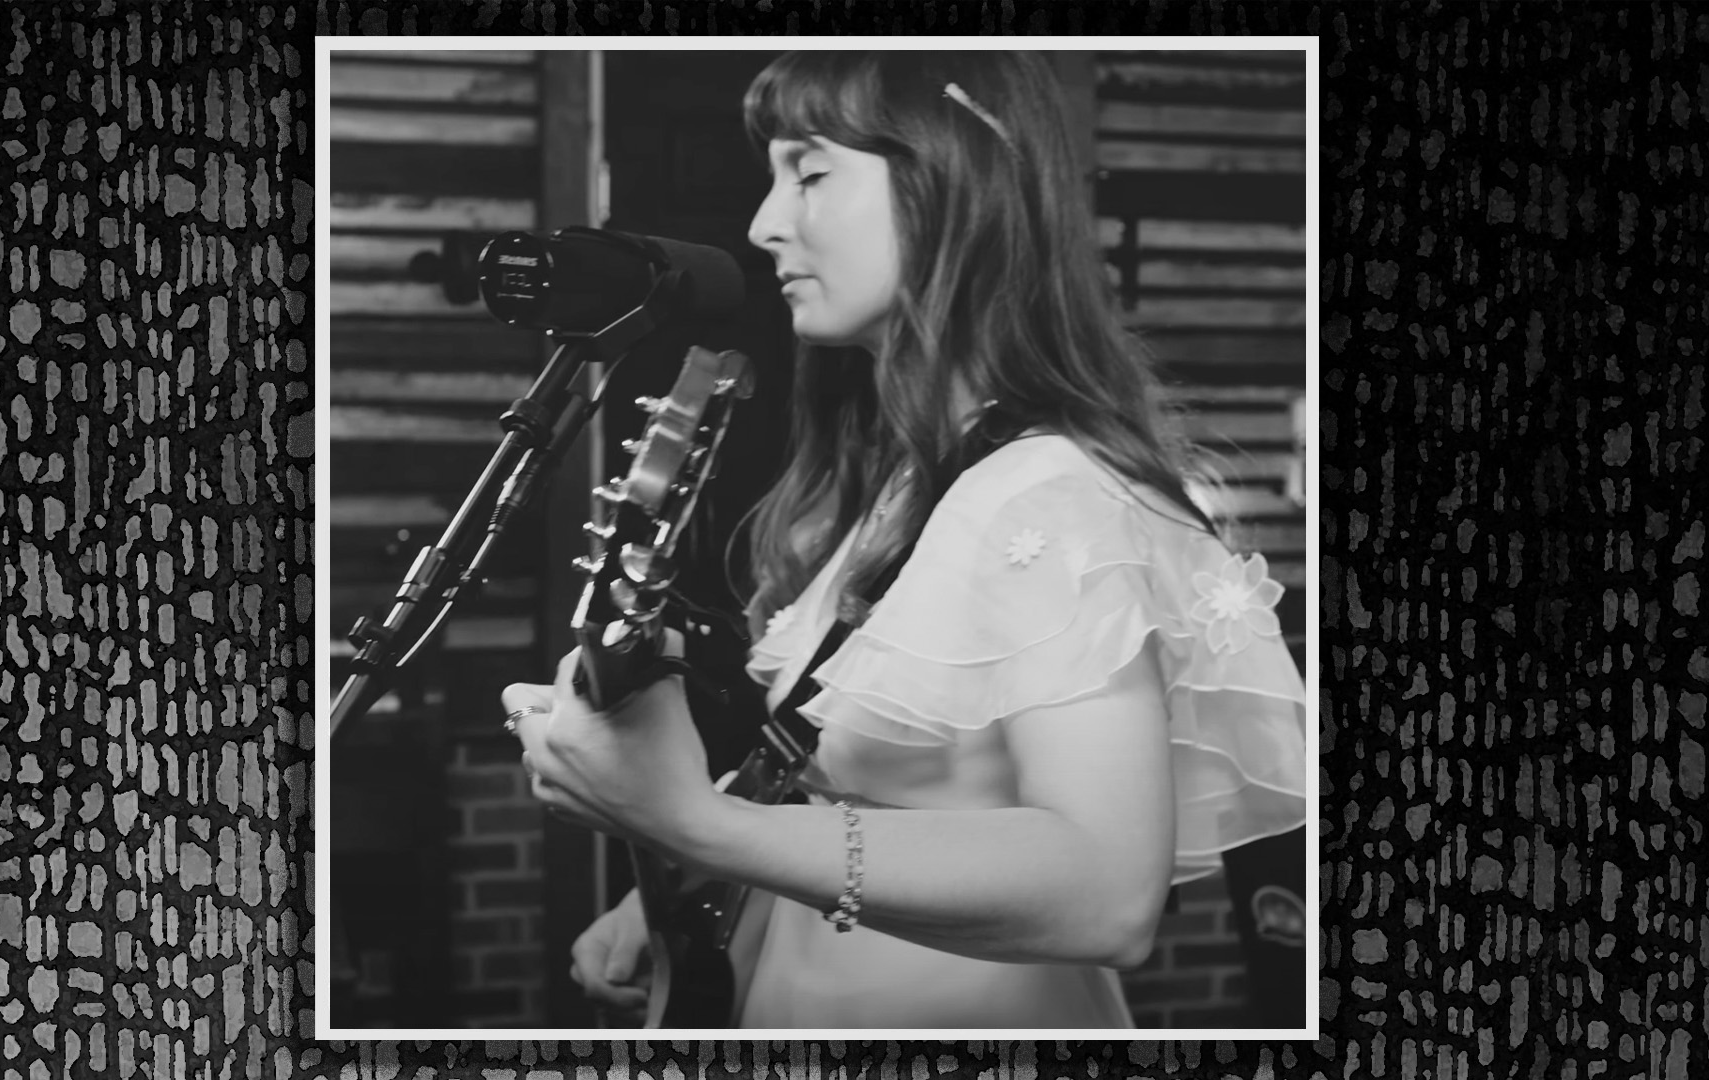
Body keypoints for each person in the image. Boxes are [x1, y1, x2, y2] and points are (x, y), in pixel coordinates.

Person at [500, 51, 1307, 1029]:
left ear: (945, 185)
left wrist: (695, 824)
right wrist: (662, 895)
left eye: (810, 172)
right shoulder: (910, 479)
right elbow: (847, 789)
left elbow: (1107, 893)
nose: (764, 225)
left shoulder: (1046, 495)